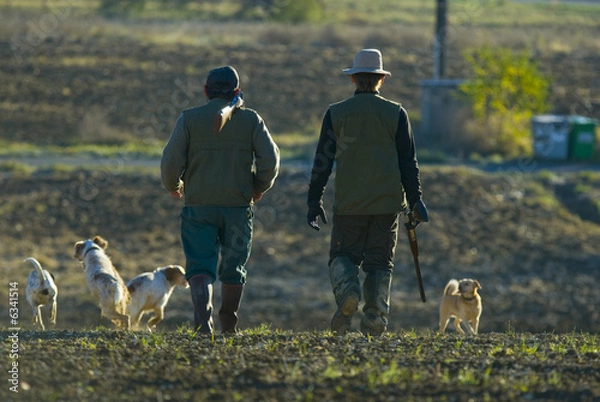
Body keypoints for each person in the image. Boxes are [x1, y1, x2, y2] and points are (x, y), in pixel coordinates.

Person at [306, 49, 427, 336]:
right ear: (380, 80)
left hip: (349, 204)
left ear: (354, 80)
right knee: (379, 262)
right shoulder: (397, 113)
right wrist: (416, 200)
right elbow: (408, 163)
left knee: (342, 255)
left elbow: (322, 162)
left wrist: (314, 200)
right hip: (387, 204)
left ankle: (348, 291)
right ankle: (374, 320)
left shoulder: (336, 113)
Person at [161, 65, 280, 335]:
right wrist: (259, 186)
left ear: (205, 91)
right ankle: (230, 323)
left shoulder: (189, 119)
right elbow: (270, 160)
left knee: (200, 266)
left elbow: (170, 160)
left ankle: (203, 324)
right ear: (237, 92)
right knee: (233, 266)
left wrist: (173, 185)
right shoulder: (251, 119)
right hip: (238, 206)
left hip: (198, 205)